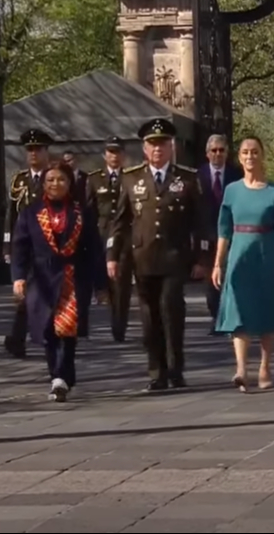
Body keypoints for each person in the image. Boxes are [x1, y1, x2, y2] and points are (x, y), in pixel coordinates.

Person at [108, 118, 210, 391]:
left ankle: (176, 369)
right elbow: (119, 221)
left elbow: (200, 222)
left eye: (162, 144)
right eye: (152, 144)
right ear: (144, 148)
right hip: (142, 259)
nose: (157, 149)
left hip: (175, 256)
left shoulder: (186, 178)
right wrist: (112, 256)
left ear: (171, 146)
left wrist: (201, 259)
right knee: (149, 317)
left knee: (171, 310)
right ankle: (156, 372)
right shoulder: (132, 178)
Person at [212, 137, 274, 391]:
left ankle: (265, 365)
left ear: (261, 156)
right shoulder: (231, 190)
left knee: (267, 311)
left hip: (267, 252)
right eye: (245, 152)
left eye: (255, 152)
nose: (250, 156)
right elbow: (223, 230)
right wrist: (218, 263)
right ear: (239, 157)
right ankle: (241, 368)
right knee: (239, 311)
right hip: (240, 253)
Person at [11, 160, 102, 402]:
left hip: (73, 277)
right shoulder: (31, 212)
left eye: (61, 179)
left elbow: (94, 249)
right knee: (47, 328)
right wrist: (18, 277)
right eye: (50, 179)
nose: (55, 184)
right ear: (44, 183)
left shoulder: (82, 212)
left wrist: (100, 284)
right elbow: (20, 247)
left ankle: (61, 376)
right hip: (41, 279)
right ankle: (57, 374)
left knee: (67, 329)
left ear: (69, 182)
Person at [3, 128, 54, 358]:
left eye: (37, 149)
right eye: (29, 150)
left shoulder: (54, 178)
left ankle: (34, 335)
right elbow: (11, 216)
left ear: (46, 152)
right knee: (24, 294)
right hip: (26, 245)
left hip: (50, 245)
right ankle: (19, 337)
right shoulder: (19, 180)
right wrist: (7, 245)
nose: (33, 154)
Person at [85, 136, 134, 342]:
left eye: (118, 152)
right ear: (105, 155)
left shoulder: (131, 178)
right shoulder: (94, 179)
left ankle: (118, 325)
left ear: (123, 155)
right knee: (99, 280)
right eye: (111, 152)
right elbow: (89, 210)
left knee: (121, 283)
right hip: (101, 234)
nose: (114, 156)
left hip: (124, 235)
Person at [198, 135, 242, 335]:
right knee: (212, 281)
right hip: (207, 235)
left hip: (233, 234)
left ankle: (232, 318)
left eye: (221, 150)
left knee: (232, 278)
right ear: (208, 154)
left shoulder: (236, 174)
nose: (217, 154)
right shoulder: (197, 176)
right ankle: (217, 318)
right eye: (214, 150)